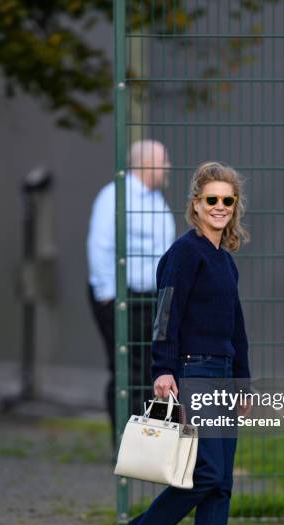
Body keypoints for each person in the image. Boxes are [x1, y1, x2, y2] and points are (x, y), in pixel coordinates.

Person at [111, 161, 257, 525]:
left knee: (222, 481)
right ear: (196, 204)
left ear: (235, 206)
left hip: (225, 376)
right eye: (211, 199)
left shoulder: (225, 262)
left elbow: (237, 327)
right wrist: (164, 369)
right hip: (194, 372)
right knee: (207, 473)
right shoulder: (184, 253)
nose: (219, 207)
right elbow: (166, 316)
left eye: (227, 200)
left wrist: (243, 381)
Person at [87, 140, 175, 447]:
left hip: (150, 298)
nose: (168, 168)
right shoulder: (115, 197)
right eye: (163, 161)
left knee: (149, 370)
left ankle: (146, 445)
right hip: (121, 298)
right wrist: (109, 295)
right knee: (126, 369)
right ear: (146, 164)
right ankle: (125, 445)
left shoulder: (155, 200)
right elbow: (99, 246)